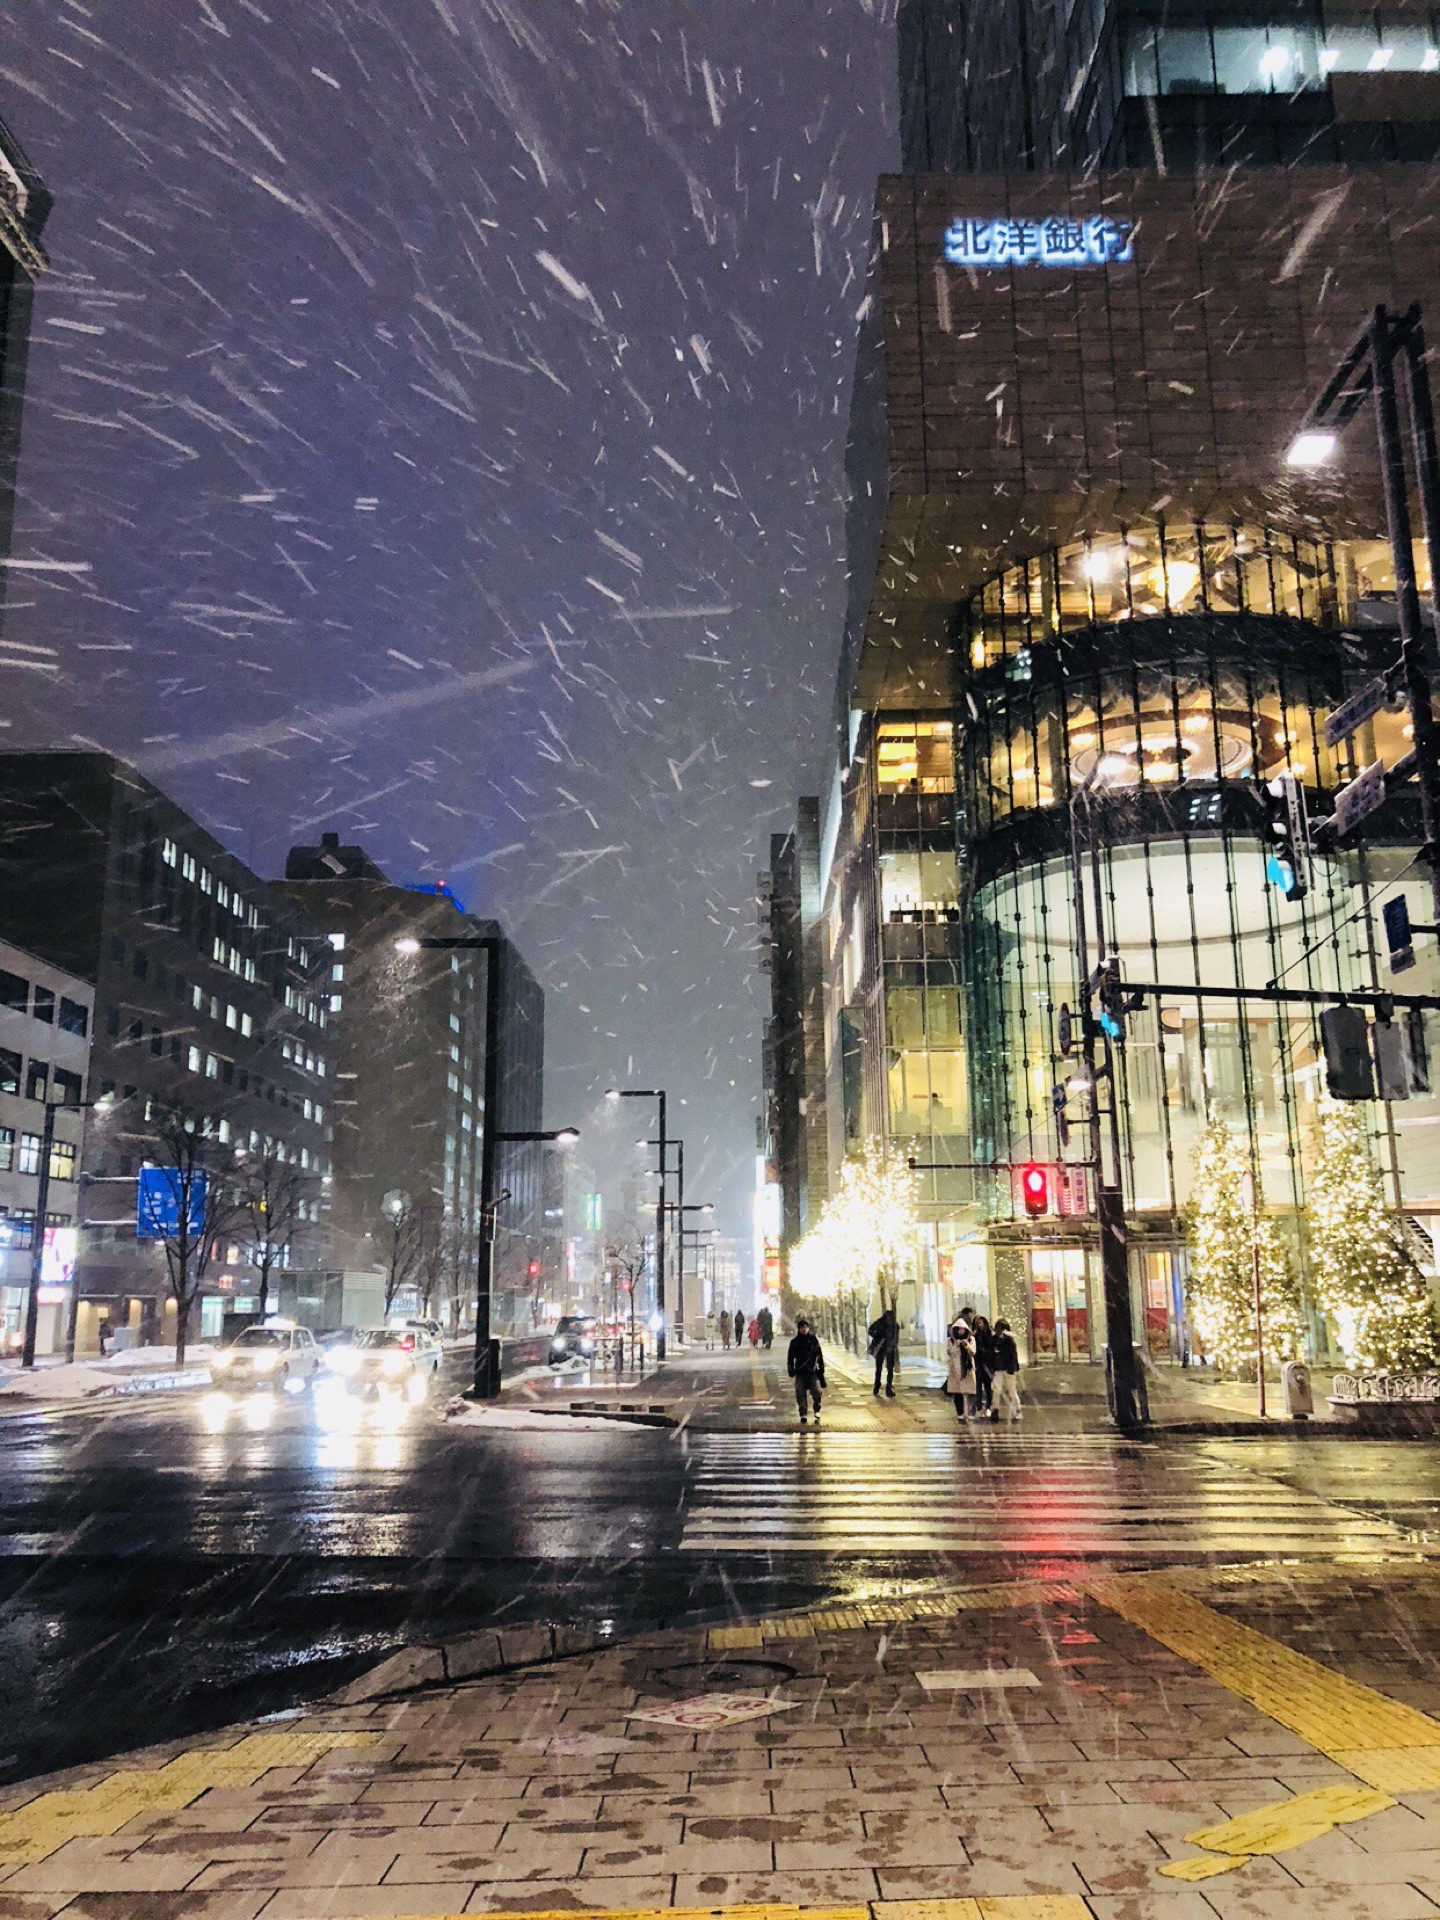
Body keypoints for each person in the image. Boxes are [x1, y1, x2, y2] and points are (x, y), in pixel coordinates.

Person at [787, 1316, 826, 1423]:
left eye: (806, 1327)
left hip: (812, 1372)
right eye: (802, 1327)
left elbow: (819, 1355)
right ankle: (803, 1413)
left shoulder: (813, 1340)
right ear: (799, 1329)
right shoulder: (795, 1342)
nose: (804, 1329)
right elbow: (790, 1357)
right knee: (800, 1393)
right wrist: (791, 1369)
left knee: (817, 1392)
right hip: (800, 1372)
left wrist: (821, 1368)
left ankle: (817, 1408)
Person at [945, 1317, 978, 1422]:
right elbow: (950, 1352)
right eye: (958, 1329)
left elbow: (973, 1352)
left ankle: (970, 1412)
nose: (960, 1331)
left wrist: (966, 1345)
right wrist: (956, 1345)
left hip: (967, 1369)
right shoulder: (951, 1340)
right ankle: (960, 1413)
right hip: (955, 1369)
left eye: (962, 1329)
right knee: (957, 1392)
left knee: (970, 1391)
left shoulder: (971, 1339)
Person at [991, 1318, 1022, 1422]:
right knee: (997, 1390)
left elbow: (1013, 1355)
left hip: (1007, 1369)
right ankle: (995, 1410)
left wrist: (1014, 1368)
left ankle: (1018, 1410)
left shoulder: (1009, 1340)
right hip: (998, 1368)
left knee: (1012, 1391)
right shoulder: (995, 1339)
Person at [868, 1305, 899, 1398]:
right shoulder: (880, 1323)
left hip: (890, 1349)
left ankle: (888, 1388)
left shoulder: (895, 1325)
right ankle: (877, 1386)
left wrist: (894, 1346)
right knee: (879, 1368)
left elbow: (895, 1337)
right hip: (881, 1347)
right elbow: (870, 1330)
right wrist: (877, 1337)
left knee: (890, 1370)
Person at [972, 1313, 995, 1417]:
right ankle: (979, 1408)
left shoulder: (989, 1335)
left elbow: (992, 1350)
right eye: (977, 1323)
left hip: (988, 1365)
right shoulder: (975, 1336)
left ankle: (989, 1406)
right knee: (978, 1388)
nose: (979, 1325)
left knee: (988, 1387)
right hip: (978, 1364)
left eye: (980, 1323)